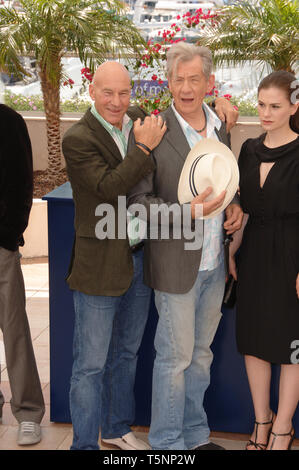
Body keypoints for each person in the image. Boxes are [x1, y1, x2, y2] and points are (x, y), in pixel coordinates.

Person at [62, 60, 238, 451]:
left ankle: (116, 428)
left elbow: (192, 110)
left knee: (127, 353)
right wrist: (142, 148)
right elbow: (112, 189)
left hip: (140, 259)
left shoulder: (140, 117)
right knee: (90, 365)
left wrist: (222, 101)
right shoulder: (78, 138)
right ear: (92, 91)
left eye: (124, 92)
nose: (116, 101)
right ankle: (84, 446)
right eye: (107, 92)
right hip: (99, 264)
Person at [128, 42, 243, 450]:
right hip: (175, 266)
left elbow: (224, 183)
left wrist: (235, 207)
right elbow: (138, 205)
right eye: (179, 79)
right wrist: (187, 212)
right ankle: (166, 445)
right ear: (168, 82)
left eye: (196, 79)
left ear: (210, 83)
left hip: (214, 263)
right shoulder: (152, 130)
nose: (187, 88)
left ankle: (194, 437)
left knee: (201, 356)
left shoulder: (221, 126)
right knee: (173, 360)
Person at [229, 71, 299, 451]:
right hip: (254, 254)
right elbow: (246, 208)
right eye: (261, 104)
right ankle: (261, 422)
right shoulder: (249, 149)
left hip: (292, 257)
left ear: (294, 107)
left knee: (291, 348)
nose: (266, 113)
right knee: (254, 343)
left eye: (275, 106)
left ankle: (283, 430)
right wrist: (232, 249)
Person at [0, 104, 45, 445]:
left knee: (14, 330)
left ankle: (28, 412)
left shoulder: (8, 121)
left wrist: (7, 237)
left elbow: (21, 184)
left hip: (0, 247)